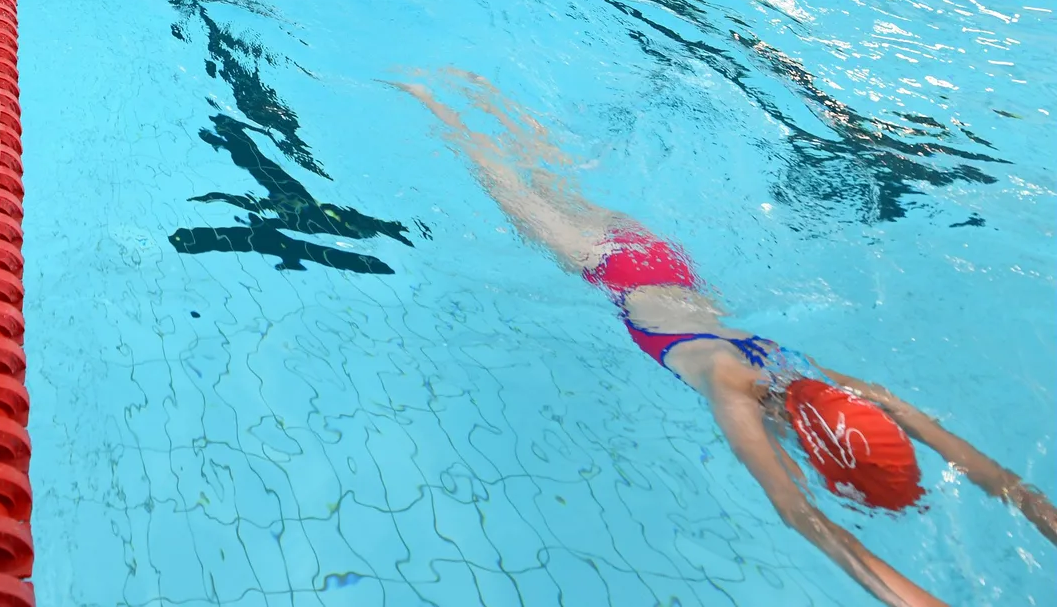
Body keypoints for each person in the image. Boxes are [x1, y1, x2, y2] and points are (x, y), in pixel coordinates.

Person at [400, 70, 1057, 607]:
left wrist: (1030, 501)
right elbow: (804, 517)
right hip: (612, 265)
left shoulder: (811, 378)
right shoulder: (736, 386)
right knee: (501, 180)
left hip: (654, 260)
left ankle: (479, 93)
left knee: (543, 180)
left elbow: (917, 424)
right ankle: (430, 98)